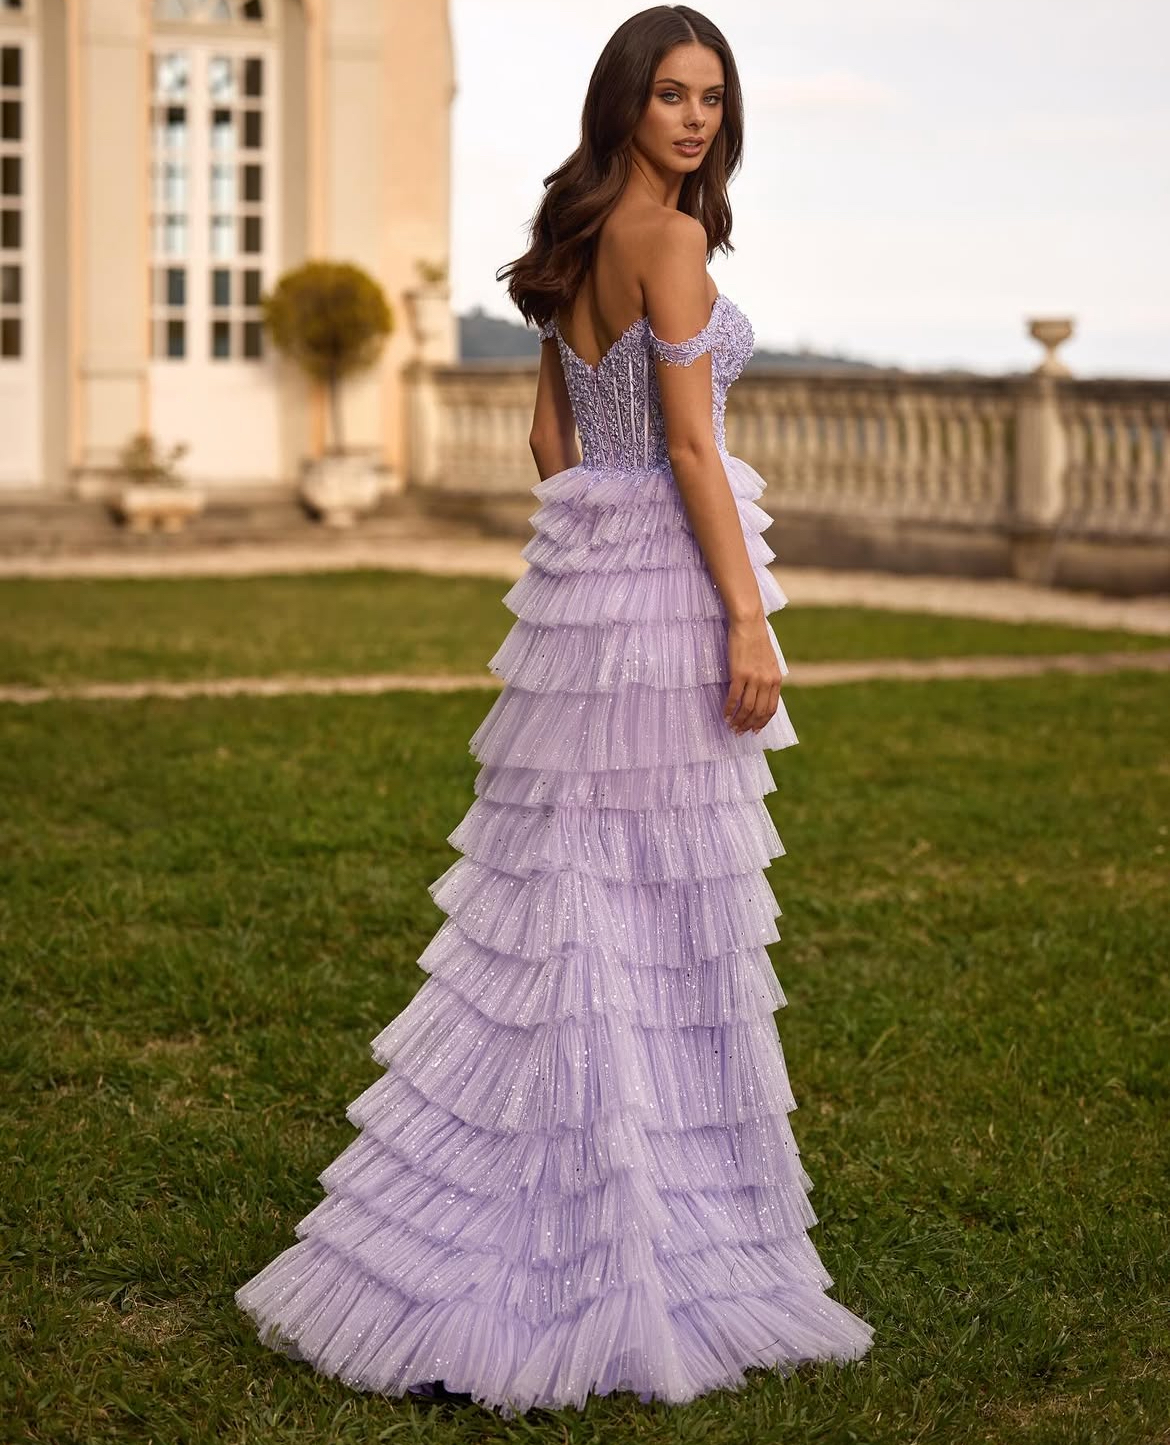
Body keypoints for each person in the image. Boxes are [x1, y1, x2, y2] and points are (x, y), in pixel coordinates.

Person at [234, 3, 874, 1416]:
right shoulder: (672, 241)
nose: (695, 118)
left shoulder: (575, 238)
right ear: (625, 105)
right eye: (670, 95)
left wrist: (604, 538)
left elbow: (549, 442)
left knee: (566, 897)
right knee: (651, 903)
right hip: (664, 599)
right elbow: (697, 447)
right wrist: (745, 614)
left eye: (712, 95)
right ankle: (629, 1226)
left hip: (584, 594)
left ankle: (518, 1199)